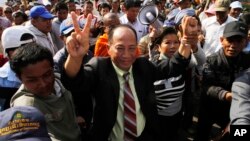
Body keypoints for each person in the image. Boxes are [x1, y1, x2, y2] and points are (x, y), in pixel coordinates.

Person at [61, 11, 198, 140]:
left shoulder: (143, 66)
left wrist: (185, 40)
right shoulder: (99, 68)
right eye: (120, 48)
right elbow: (74, 82)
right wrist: (75, 58)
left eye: (132, 48)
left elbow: (173, 66)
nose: (126, 55)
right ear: (109, 48)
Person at [9, 43, 82, 141]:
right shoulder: (25, 106)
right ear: (20, 78)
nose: (43, 84)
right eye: (32, 80)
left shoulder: (60, 82)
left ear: (52, 69)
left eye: (47, 75)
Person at [195, 21, 250, 141]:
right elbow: (206, 87)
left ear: (246, 42)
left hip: (234, 110)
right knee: (201, 135)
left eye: (238, 41)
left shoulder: (247, 61)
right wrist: (227, 95)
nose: (233, 45)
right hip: (209, 107)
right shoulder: (211, 60)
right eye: (230, 40)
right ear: (221, 40)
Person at [0, 26, 36, 111]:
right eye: (26, 48)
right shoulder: (1, 80)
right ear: (11, 52)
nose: (33, 52)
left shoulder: (44, 71)